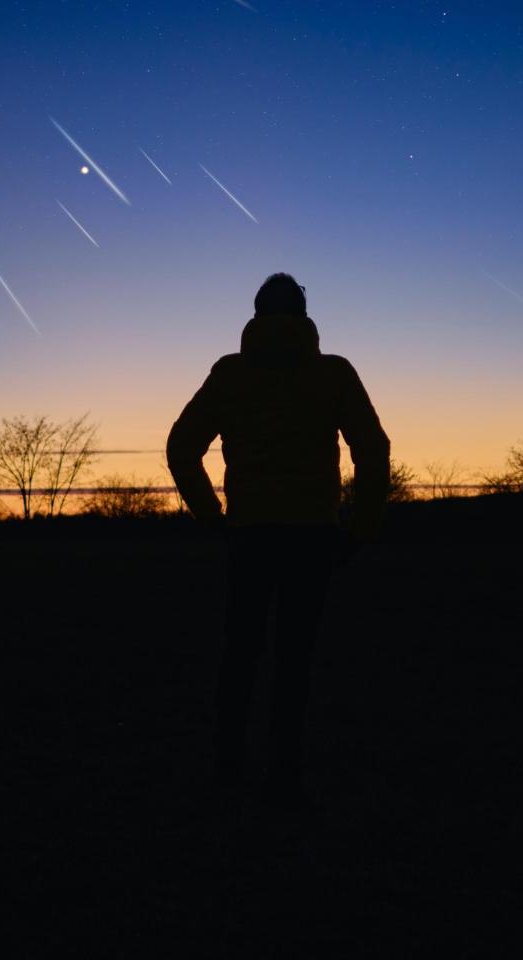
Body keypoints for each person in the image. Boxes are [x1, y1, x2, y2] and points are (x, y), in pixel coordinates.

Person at [167, 272, 390, 813]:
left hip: (249, 535)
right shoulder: (332, 373)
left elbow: (181, 447)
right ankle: (284, 773)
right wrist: (360, 527)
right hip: (313, 536)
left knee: (239, 652)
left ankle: (229, 766)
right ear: (305, 316)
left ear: (256, 314)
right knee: (295, 658)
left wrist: (211, 517)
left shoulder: (231, 374)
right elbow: (373, 450)